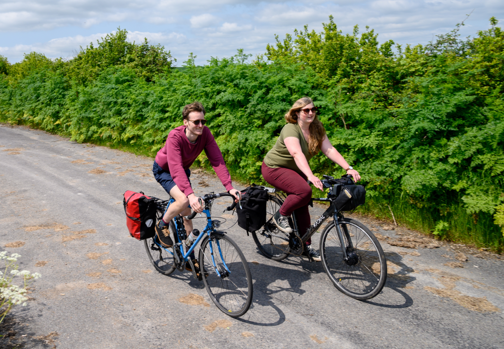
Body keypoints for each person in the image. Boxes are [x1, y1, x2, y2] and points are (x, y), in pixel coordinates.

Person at [261, 97, 361, 261]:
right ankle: (281, 215)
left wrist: (348, 168)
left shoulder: (316, 128)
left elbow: (329, 150)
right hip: (274, 168)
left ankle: (304, 245)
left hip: (296, 169)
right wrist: (310, 175)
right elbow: (296, 153)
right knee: (303, 191)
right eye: (306, 110)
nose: (310, 113)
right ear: (297, 113)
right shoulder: (290, 129)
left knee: (303, 202)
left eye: (313, 109)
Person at [153, 102, 241, 253]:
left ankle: (189, 253)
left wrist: (229, 187)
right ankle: (162, 225)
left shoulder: (205, 134)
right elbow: (175, 167)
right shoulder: (175, 136)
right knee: (185, 200)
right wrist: (190, 194)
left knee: (188, 215)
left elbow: (217, 160)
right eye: (196, 122)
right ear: (185, 122)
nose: (201, 125)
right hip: (165, 170)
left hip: (182, 170)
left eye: (203, 121)